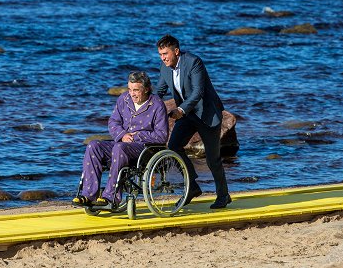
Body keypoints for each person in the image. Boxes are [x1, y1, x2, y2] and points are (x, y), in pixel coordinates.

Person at [156, 34, 232, 209]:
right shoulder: (165, 67)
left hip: (207, 115)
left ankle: (223, 195)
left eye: (165, 54)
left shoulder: (194, 62)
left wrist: (180, 110)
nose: (163, 58)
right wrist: (144, 107)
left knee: (213, 160)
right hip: (188, 116)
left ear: (176, 51)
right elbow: (159, 91)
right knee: (174, 146)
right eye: (160, 55)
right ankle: (192, 187)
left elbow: (197, 92)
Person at [72, 71, 169, 209]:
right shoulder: (124, 99)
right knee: (93, 145)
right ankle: (88, 195)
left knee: (119, 148)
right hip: (122, 143)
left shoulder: (157, 105)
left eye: (136, 90)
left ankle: (110, 197)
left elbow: (162, 135)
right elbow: (113, 122)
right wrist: (123, 134)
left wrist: (137, 136)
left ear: (146, 89)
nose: (132, 94)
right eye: (130, 89)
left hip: (144, 148)